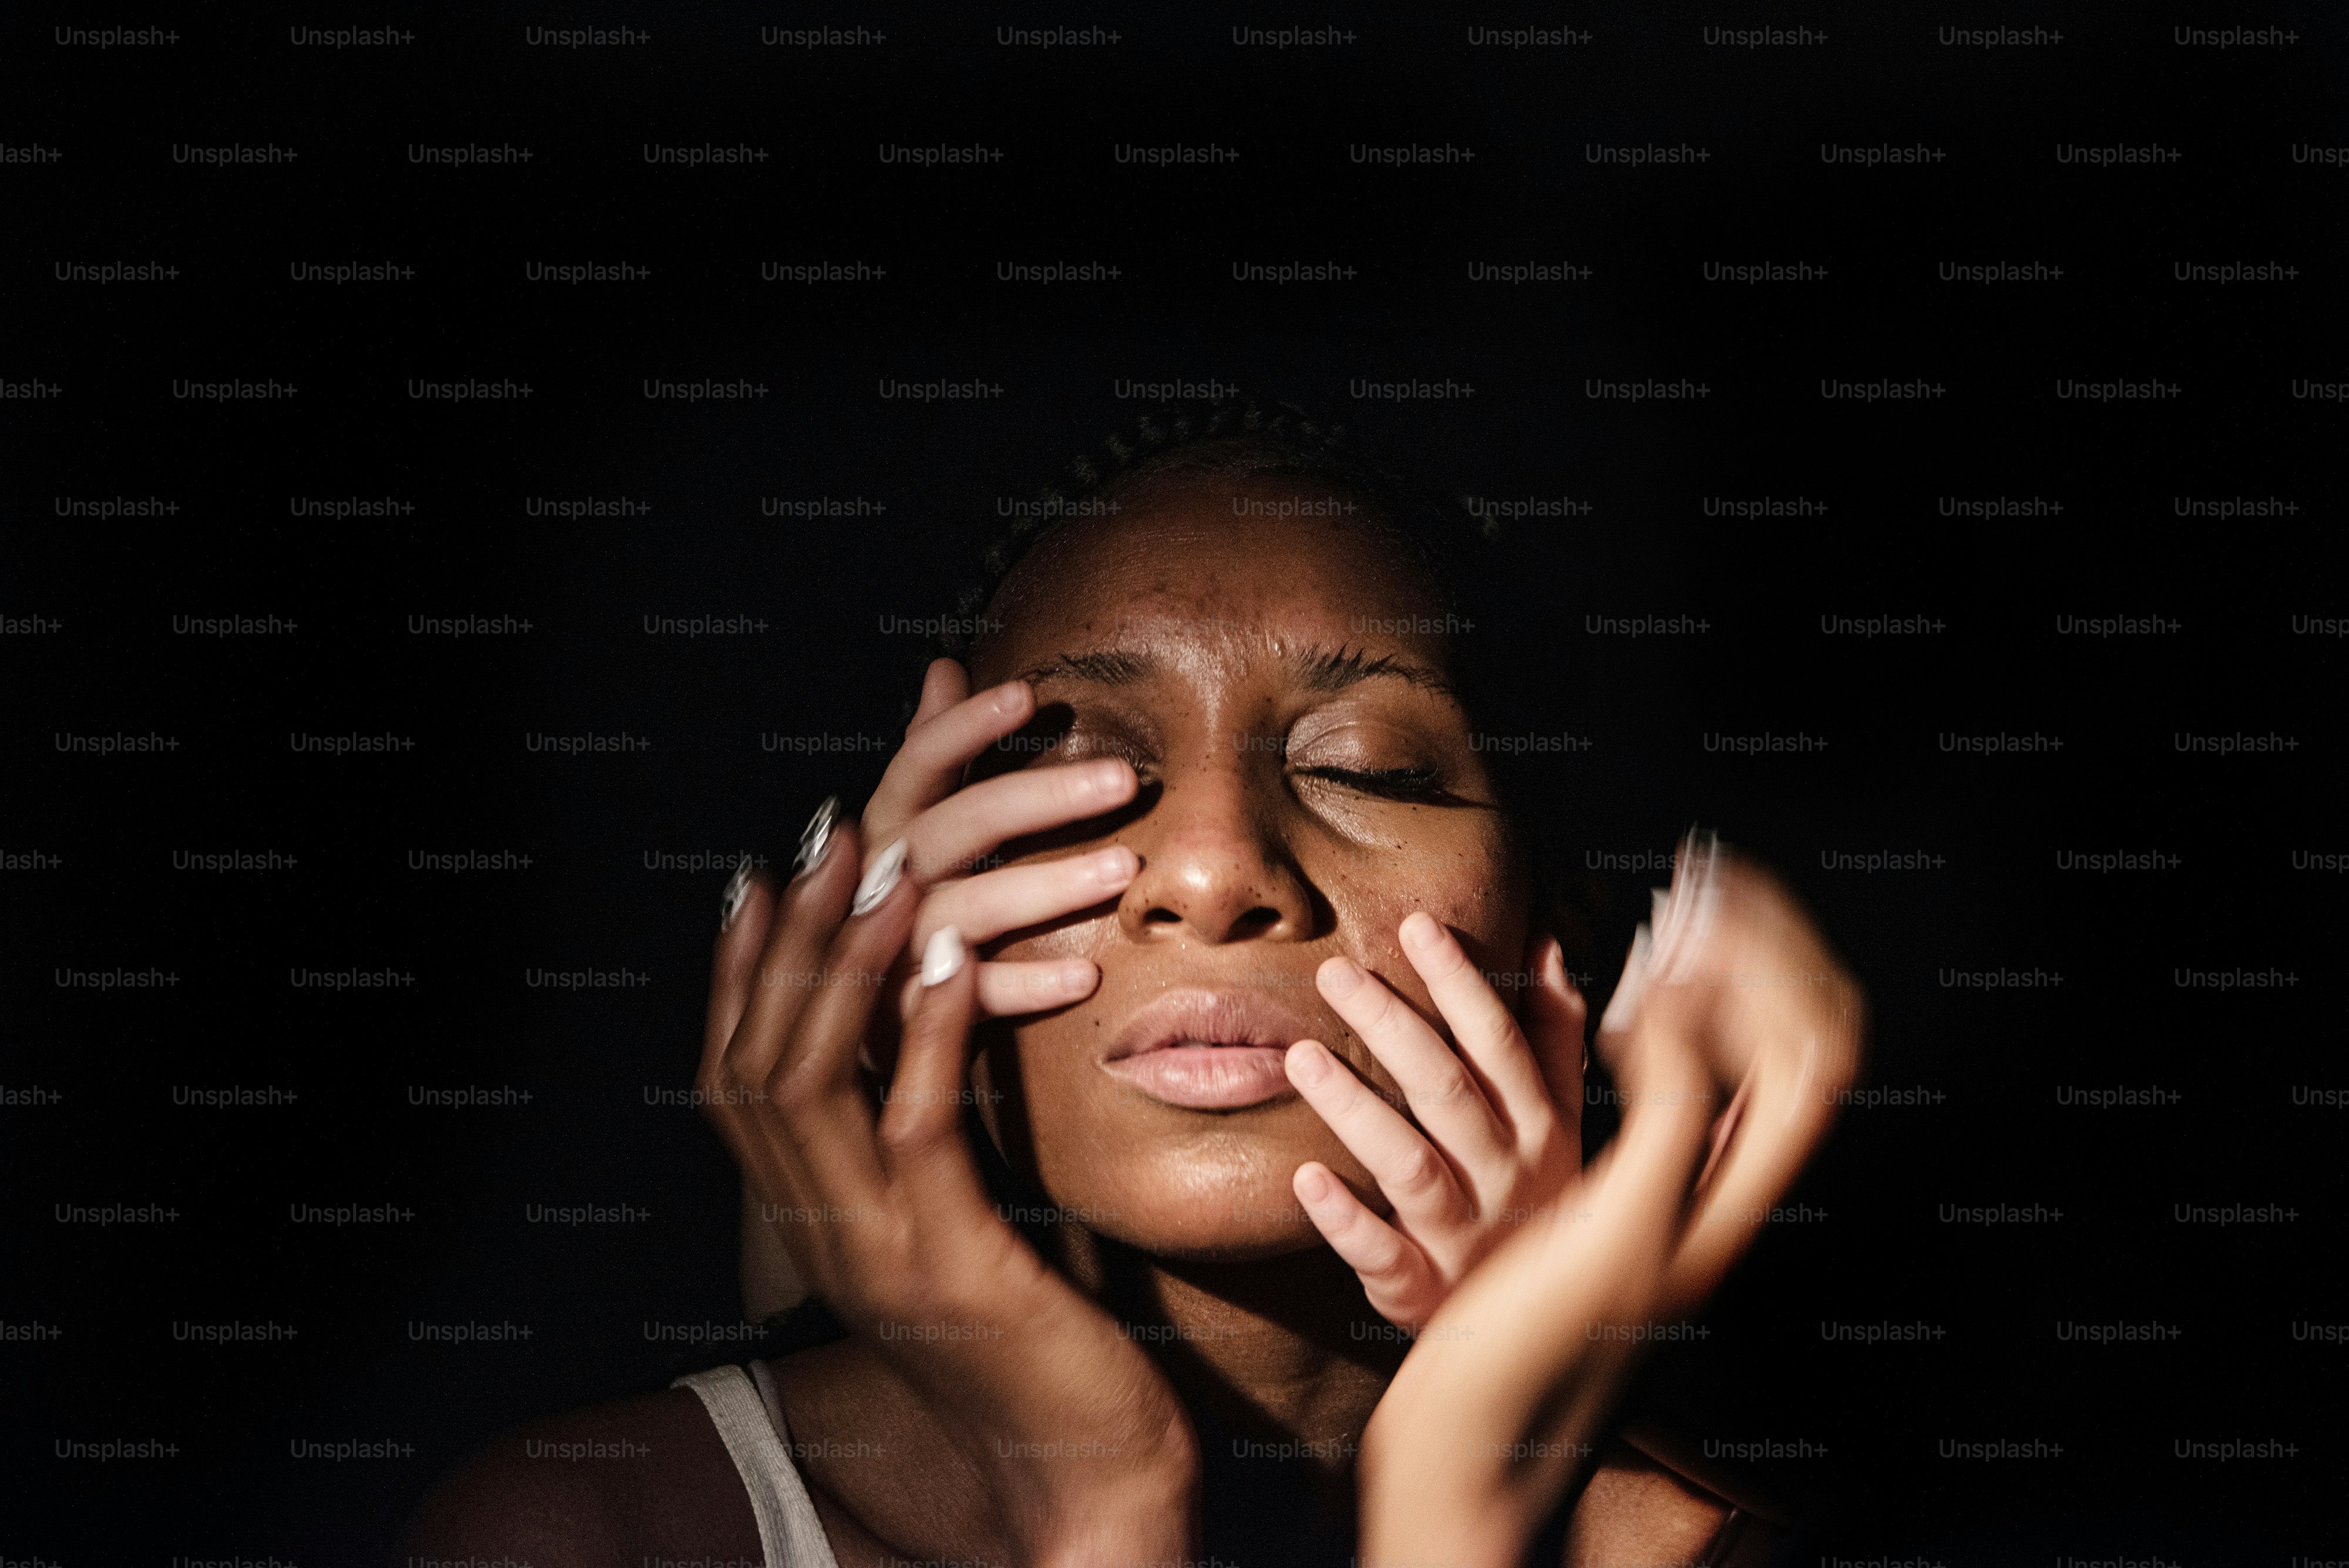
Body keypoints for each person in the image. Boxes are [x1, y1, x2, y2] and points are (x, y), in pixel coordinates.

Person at [405, 399, 1863, 1567]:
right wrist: (1103, 1499)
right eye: (1085, 776)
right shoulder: (601, 1532)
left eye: (1365, 768)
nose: (1214, 866)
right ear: (905, 915)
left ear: (1559, 937)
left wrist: (1452, 1480)